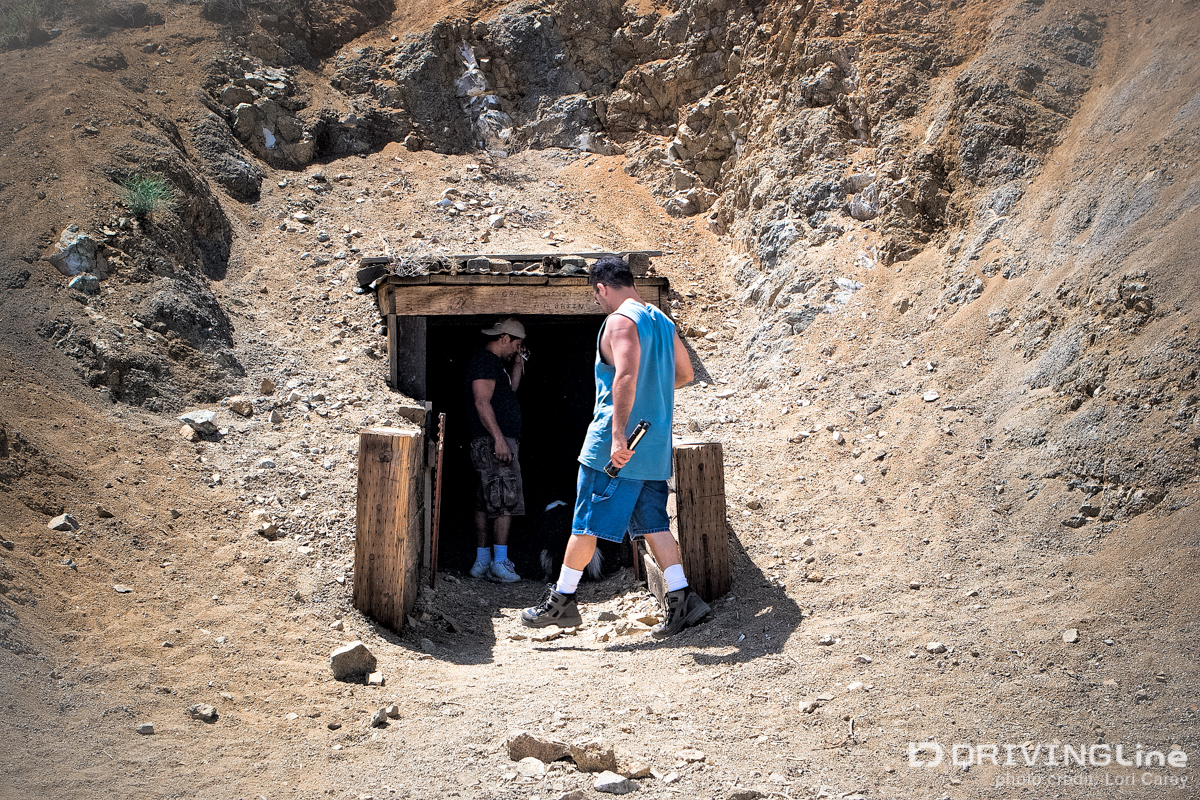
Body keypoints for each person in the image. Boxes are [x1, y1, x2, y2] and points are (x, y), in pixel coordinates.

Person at [521, 257, 710, 638]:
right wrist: (652, 395)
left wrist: (618, 436)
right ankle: (683, 597)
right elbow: (685, 374)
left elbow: (624, 372)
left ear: (602, 288)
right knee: (654, 524)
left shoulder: (620, 321)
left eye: (597, 296)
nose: (599, 304)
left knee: (585, 522)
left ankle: (562, 602)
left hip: (616, 447)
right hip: (653, 445)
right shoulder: (660, 320)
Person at [465, 317, 527, 582]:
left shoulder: (496, 366)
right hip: (494, 442)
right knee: (504, 499)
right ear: (505, 338)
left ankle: (482, 561)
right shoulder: (485, 361)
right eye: (517, 345)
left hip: (492, 440)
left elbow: (509, 392)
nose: (517, 349)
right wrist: (499, 439)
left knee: (486, 500)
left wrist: (517, 365)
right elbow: (481, 402)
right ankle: (500, 564)